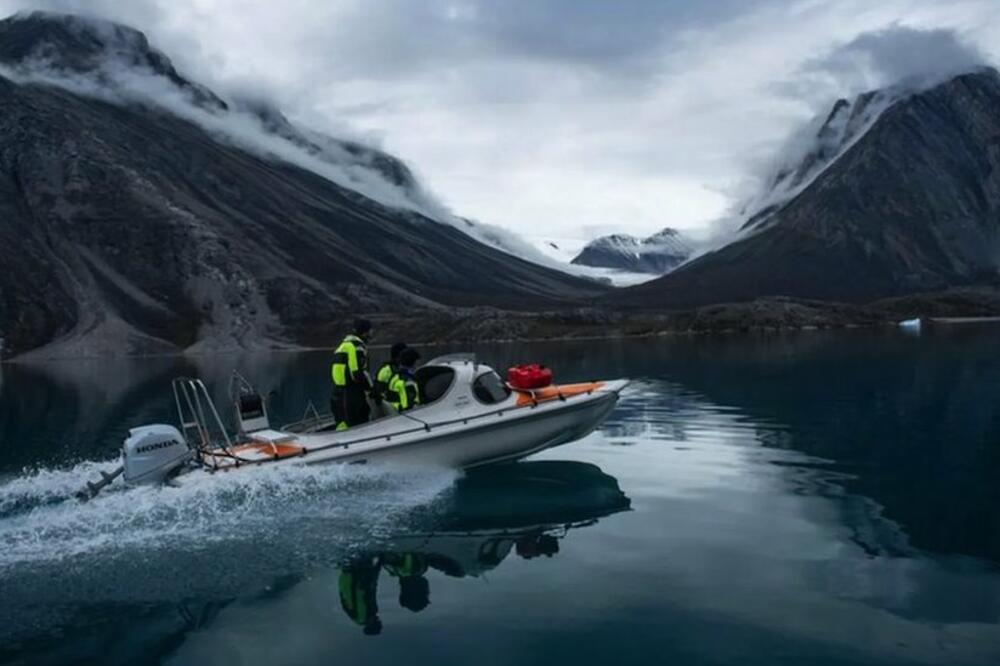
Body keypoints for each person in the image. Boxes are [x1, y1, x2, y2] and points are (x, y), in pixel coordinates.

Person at [331, 318, 373, 430]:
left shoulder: (343, 345)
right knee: (359, 425)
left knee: (342, 423)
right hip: (352, 394)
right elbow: (357, 373)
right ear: (365, 331)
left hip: (338, 393)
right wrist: (371, 390)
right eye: (370, 330)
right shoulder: (356, 347)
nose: (372, 333)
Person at [338, 557, 383, 636]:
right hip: (351, 578)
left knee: (360, 557)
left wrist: (366, 576)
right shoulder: (369, 614)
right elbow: (371, 593)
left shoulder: (362, 617)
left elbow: (361, 596)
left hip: (353, 578)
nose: (378, 619)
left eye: (377, 622)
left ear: (371, 625)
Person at [387, 347, 421, 412]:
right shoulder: (408, 382)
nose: (418, 365)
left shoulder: (394, 377)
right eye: (417, 362)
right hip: (407, 415)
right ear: (412, 362)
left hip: (395, 413)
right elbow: (411, 405)